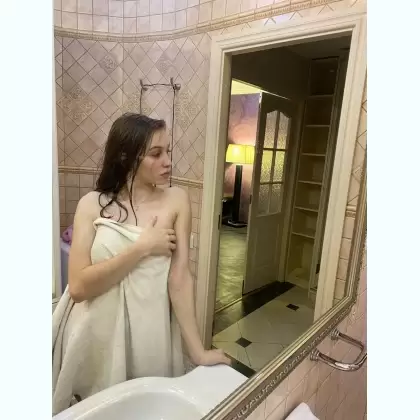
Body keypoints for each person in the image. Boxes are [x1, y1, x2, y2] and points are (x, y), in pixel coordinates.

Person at [52, 113, 229, 414]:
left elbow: (180, 279)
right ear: (126, 157)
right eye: (156, 154)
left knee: (148, 410)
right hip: (97, 335)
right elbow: (79, 287)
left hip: (151, 332)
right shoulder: (91, 204)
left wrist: (198, 352)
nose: (168, 162)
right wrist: (142, 248)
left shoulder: (177, 200)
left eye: (168, 151)